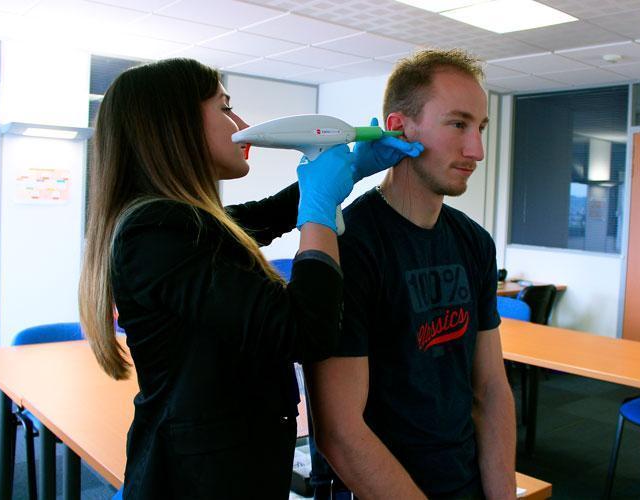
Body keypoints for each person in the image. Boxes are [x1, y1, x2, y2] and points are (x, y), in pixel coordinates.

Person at [77, 58, 422, 499]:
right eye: (224, 108)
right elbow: (306, 330)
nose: (241, 124)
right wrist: (317, 212)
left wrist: (351, 169)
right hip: (197, 483)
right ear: (174, 127)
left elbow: (258, 218)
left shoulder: (182, 222)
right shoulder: (156, 233)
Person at [306, 49, 516, 499]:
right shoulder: (350, 247)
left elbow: (491, 387)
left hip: (463, 481)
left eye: (480, 128)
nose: (476, 150)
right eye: (458, 124)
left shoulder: (474, 243)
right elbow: (340, 431)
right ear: (400, 128)